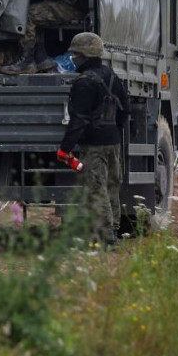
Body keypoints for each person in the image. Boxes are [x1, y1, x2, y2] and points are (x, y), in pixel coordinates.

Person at [57, 32, 130, 247]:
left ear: (85, 55)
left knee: (97, 189)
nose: (72, 59)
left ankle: (106, 238)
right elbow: (125, 110)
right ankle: (113, 229)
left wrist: (65, 148)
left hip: (94, 145)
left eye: (75, 54)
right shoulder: (112, 76)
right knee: (112, 186)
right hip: (113, 142)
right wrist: (114, 131)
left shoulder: (84, 82)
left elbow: (78, 120)